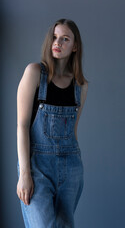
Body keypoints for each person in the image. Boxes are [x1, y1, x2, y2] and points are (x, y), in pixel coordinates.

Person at [16, 18, 88, 228]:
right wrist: (24, 174)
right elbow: (21, 126)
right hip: (37, 167)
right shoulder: (34, 73)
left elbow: (73, 132)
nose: (57, 43)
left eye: (65, 39)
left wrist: (75, 168)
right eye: (55, 37)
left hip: (71, 169)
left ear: (75, 46)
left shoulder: (80, 86)